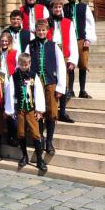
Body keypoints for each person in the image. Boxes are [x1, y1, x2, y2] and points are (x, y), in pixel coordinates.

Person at [29, 19, 67, 155]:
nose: (41, 32)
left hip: (51, 83)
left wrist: (60, 87)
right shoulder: (30, 46)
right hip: (36, 84)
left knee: (51, 113)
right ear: (35, 31)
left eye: (43, 30)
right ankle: (41, 137)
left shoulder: (53, 45)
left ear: (47, 31)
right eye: (39, 30)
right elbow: (25, 63)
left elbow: (61, 67)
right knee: (38, 111)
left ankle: (49, 141)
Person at [5, 53, 46, 170]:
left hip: (31, 110)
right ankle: (24, 156)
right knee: (21, 133)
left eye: (26, 64)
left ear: (30, 64)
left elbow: (38, 92)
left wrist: (39, 110)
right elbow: (10, 93)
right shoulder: (13, 77)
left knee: (36, 133)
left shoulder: (34, 76)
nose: (23, 67)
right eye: (21, 64)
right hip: (20, 110)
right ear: (18, 64)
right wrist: (10, 110)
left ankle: (39, 159)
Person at [64, 0, 97, 99]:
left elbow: (90, 23)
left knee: (83, 64)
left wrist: (88, 38)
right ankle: (71, 90)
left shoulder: (84, 7)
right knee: (70, 65)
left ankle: (82, 90)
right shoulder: (65, 8)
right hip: (69, 41)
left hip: (82, 39)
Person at [48, 0, 79, 123]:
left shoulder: (68, 22)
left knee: (64, 83)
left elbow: (72, 40)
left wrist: (72, 60)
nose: (57, 9)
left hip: (63, 52)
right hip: (50, 53)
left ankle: (62, 112)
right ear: (52, 9)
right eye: (55, 7)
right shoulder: (46, 22)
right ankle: (52, 110)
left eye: (59, 7)